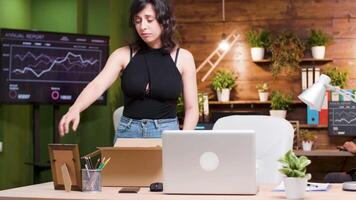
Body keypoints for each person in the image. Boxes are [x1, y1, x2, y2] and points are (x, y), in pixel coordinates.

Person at [58, 0, 199, 141]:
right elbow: (97, 85)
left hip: (166, 133)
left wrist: (183, 140)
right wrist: (75, 108)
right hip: (128, 132)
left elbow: (192, 108)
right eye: (138, 21)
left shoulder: (184, 58)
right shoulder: (123, 54)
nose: (143, 27)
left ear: (164, 20)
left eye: (149, 20)